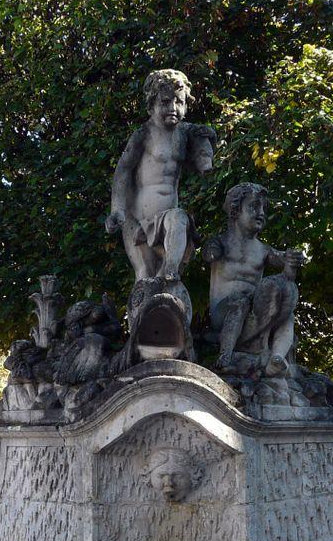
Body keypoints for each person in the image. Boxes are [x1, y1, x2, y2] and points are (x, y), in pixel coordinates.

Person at [105, 69, 217, 283]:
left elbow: (203, 151)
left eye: (180, 102)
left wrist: (207, 149)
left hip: (166, 218)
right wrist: (117, 211)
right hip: (137, 218)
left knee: (180, 218)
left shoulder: (185, 134)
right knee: (145, 276)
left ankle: (171, 271)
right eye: (166, 102)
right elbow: (123, 171)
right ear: (151, 105)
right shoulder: (144, 134)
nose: (173, 108)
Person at [203, 182, 306, 375]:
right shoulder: (221, 242)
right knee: (240, 302)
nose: (260, 213)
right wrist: (211, 251)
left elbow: (285, 269)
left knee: (287, 313)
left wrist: (291, 261)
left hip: (255, 311)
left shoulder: (263, 250)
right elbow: (208, 254)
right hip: (224, 314)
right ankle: (225, 355)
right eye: (253, 206)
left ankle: (277, 358)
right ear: (235, 210)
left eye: (263, 208)